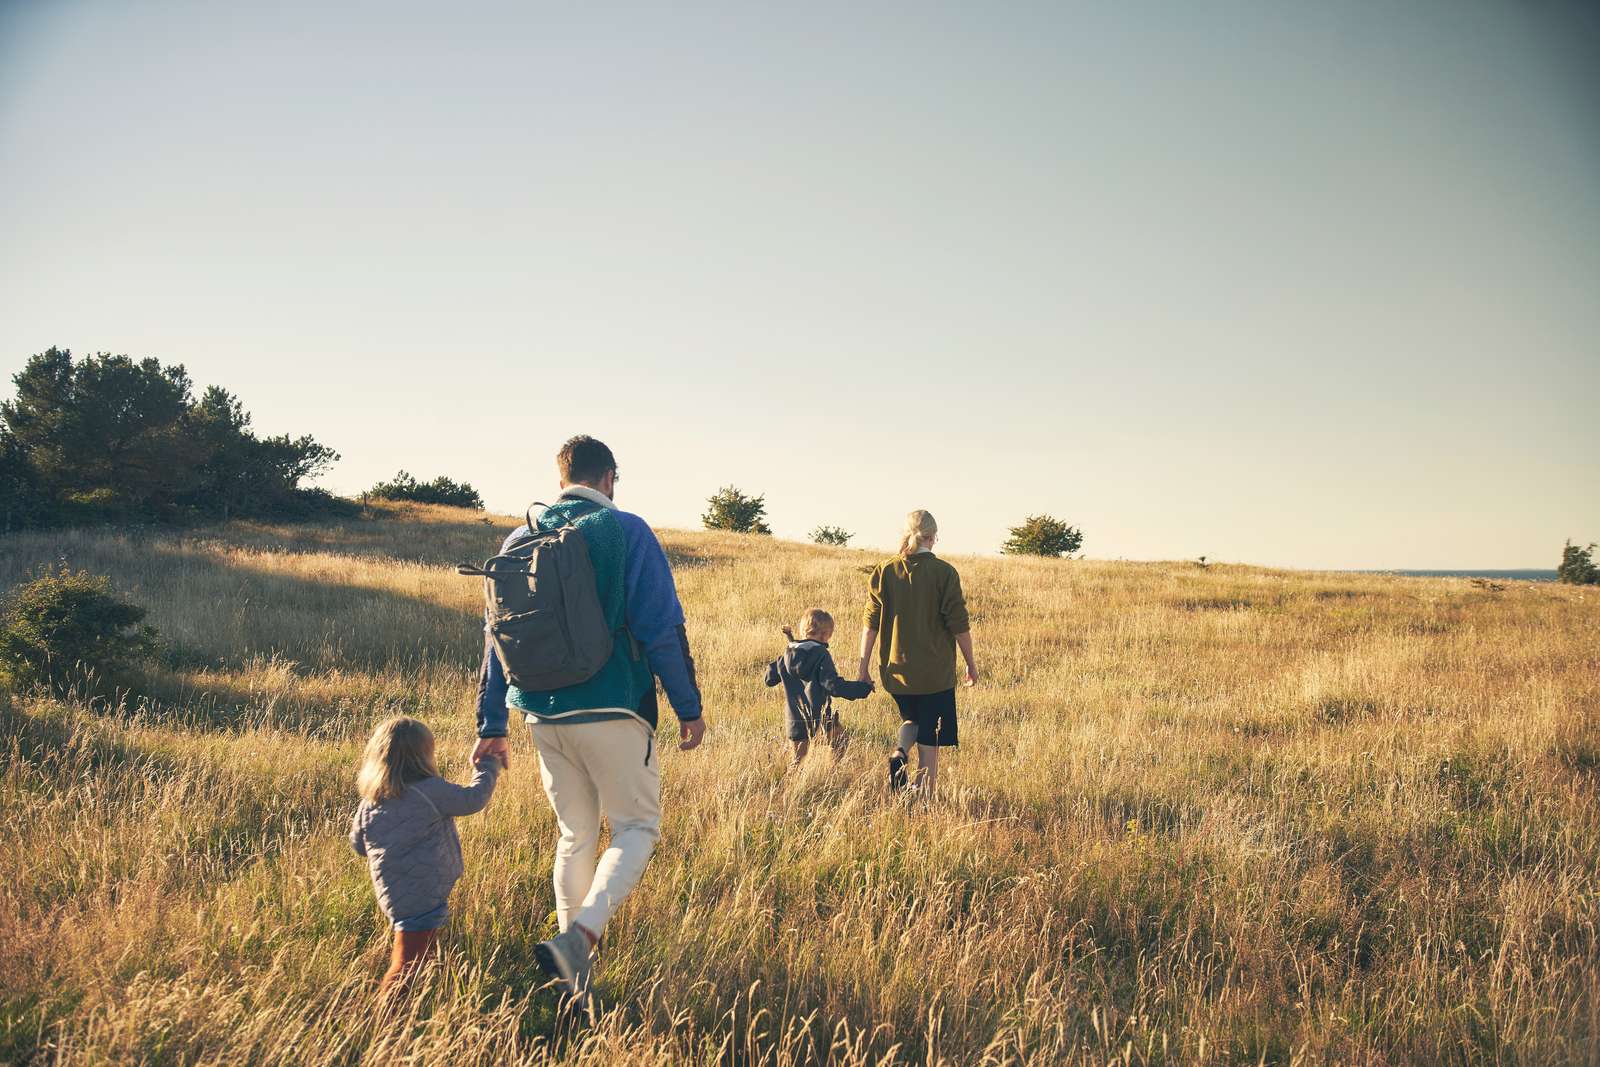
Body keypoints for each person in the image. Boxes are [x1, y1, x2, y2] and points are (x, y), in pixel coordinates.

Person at [472, 435, 705, 1012]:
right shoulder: (627, 532)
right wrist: (688, 706)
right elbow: (659, 627)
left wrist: (491, 721)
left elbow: (496, 636)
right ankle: (581, 938)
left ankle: (573, 981)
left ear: (560, 481)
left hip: (541, 714)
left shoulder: (520, 537)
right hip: (615, 707)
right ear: (609, 479)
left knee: (575, 834)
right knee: (636, 828)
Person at [349, 715, 502, 998]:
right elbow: (474, 799)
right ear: (423, 756)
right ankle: (384, 1019)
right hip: (422, 893)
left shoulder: (371, 800)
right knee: (406, 964)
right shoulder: (430, 791)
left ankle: (421, 999)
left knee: (421, 952)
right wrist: (489, 766)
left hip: (394, 892)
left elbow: (359, 845)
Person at [857, 510, 977, 799]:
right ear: (933, 536)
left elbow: (869, 625)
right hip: (935, 674)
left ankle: (900, 751)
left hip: (896, 672)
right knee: (930, 740)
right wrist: (971, 665)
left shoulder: (884, 571)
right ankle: (924, 798)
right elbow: (958, 624)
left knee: (912, 721)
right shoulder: (944, 572)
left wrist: (863, 667)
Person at [764, 608, 874, 765]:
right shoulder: (821, 654)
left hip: (795, 719)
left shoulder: (787, 654)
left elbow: (769, 679)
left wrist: (782, 661)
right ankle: (831, 774)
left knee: (798, 762)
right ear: (824, 635)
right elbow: (832, 685)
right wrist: (862, 688)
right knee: (840, 742)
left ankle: (822, 778)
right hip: (821, 714)